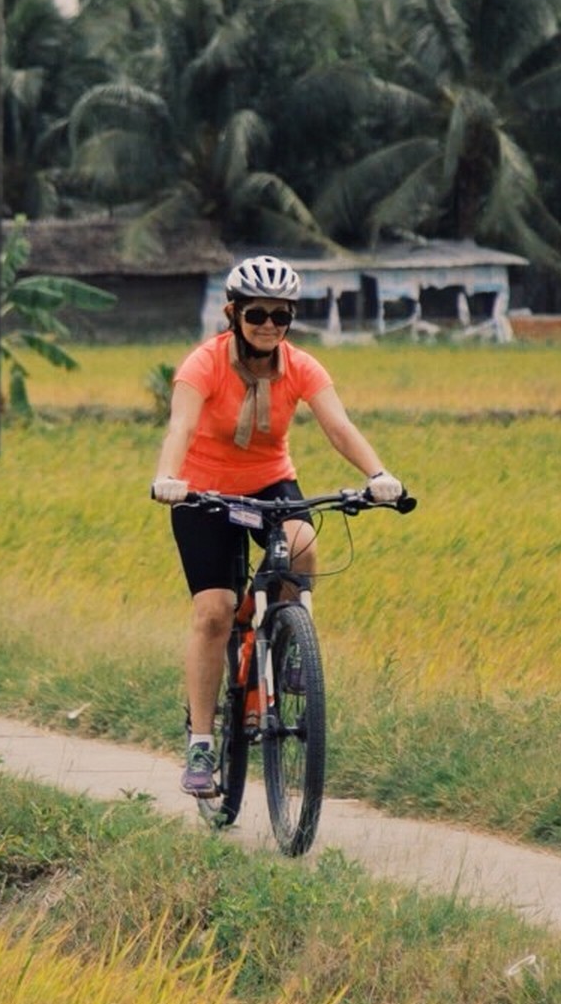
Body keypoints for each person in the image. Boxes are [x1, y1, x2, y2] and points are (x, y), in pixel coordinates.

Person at [148, 255, 406, 797]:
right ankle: (200, 744)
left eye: (281, 316)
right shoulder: (203, 364)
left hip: (269, 483)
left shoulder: (302, 367)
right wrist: (168, 476)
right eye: (257, 314)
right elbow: (181, 426)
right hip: (203, 491)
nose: (269, 326)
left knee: (304, 543)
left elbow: (338, 425)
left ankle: (288, 643)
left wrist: (378, 474)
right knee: (215, 612)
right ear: (233, 314)